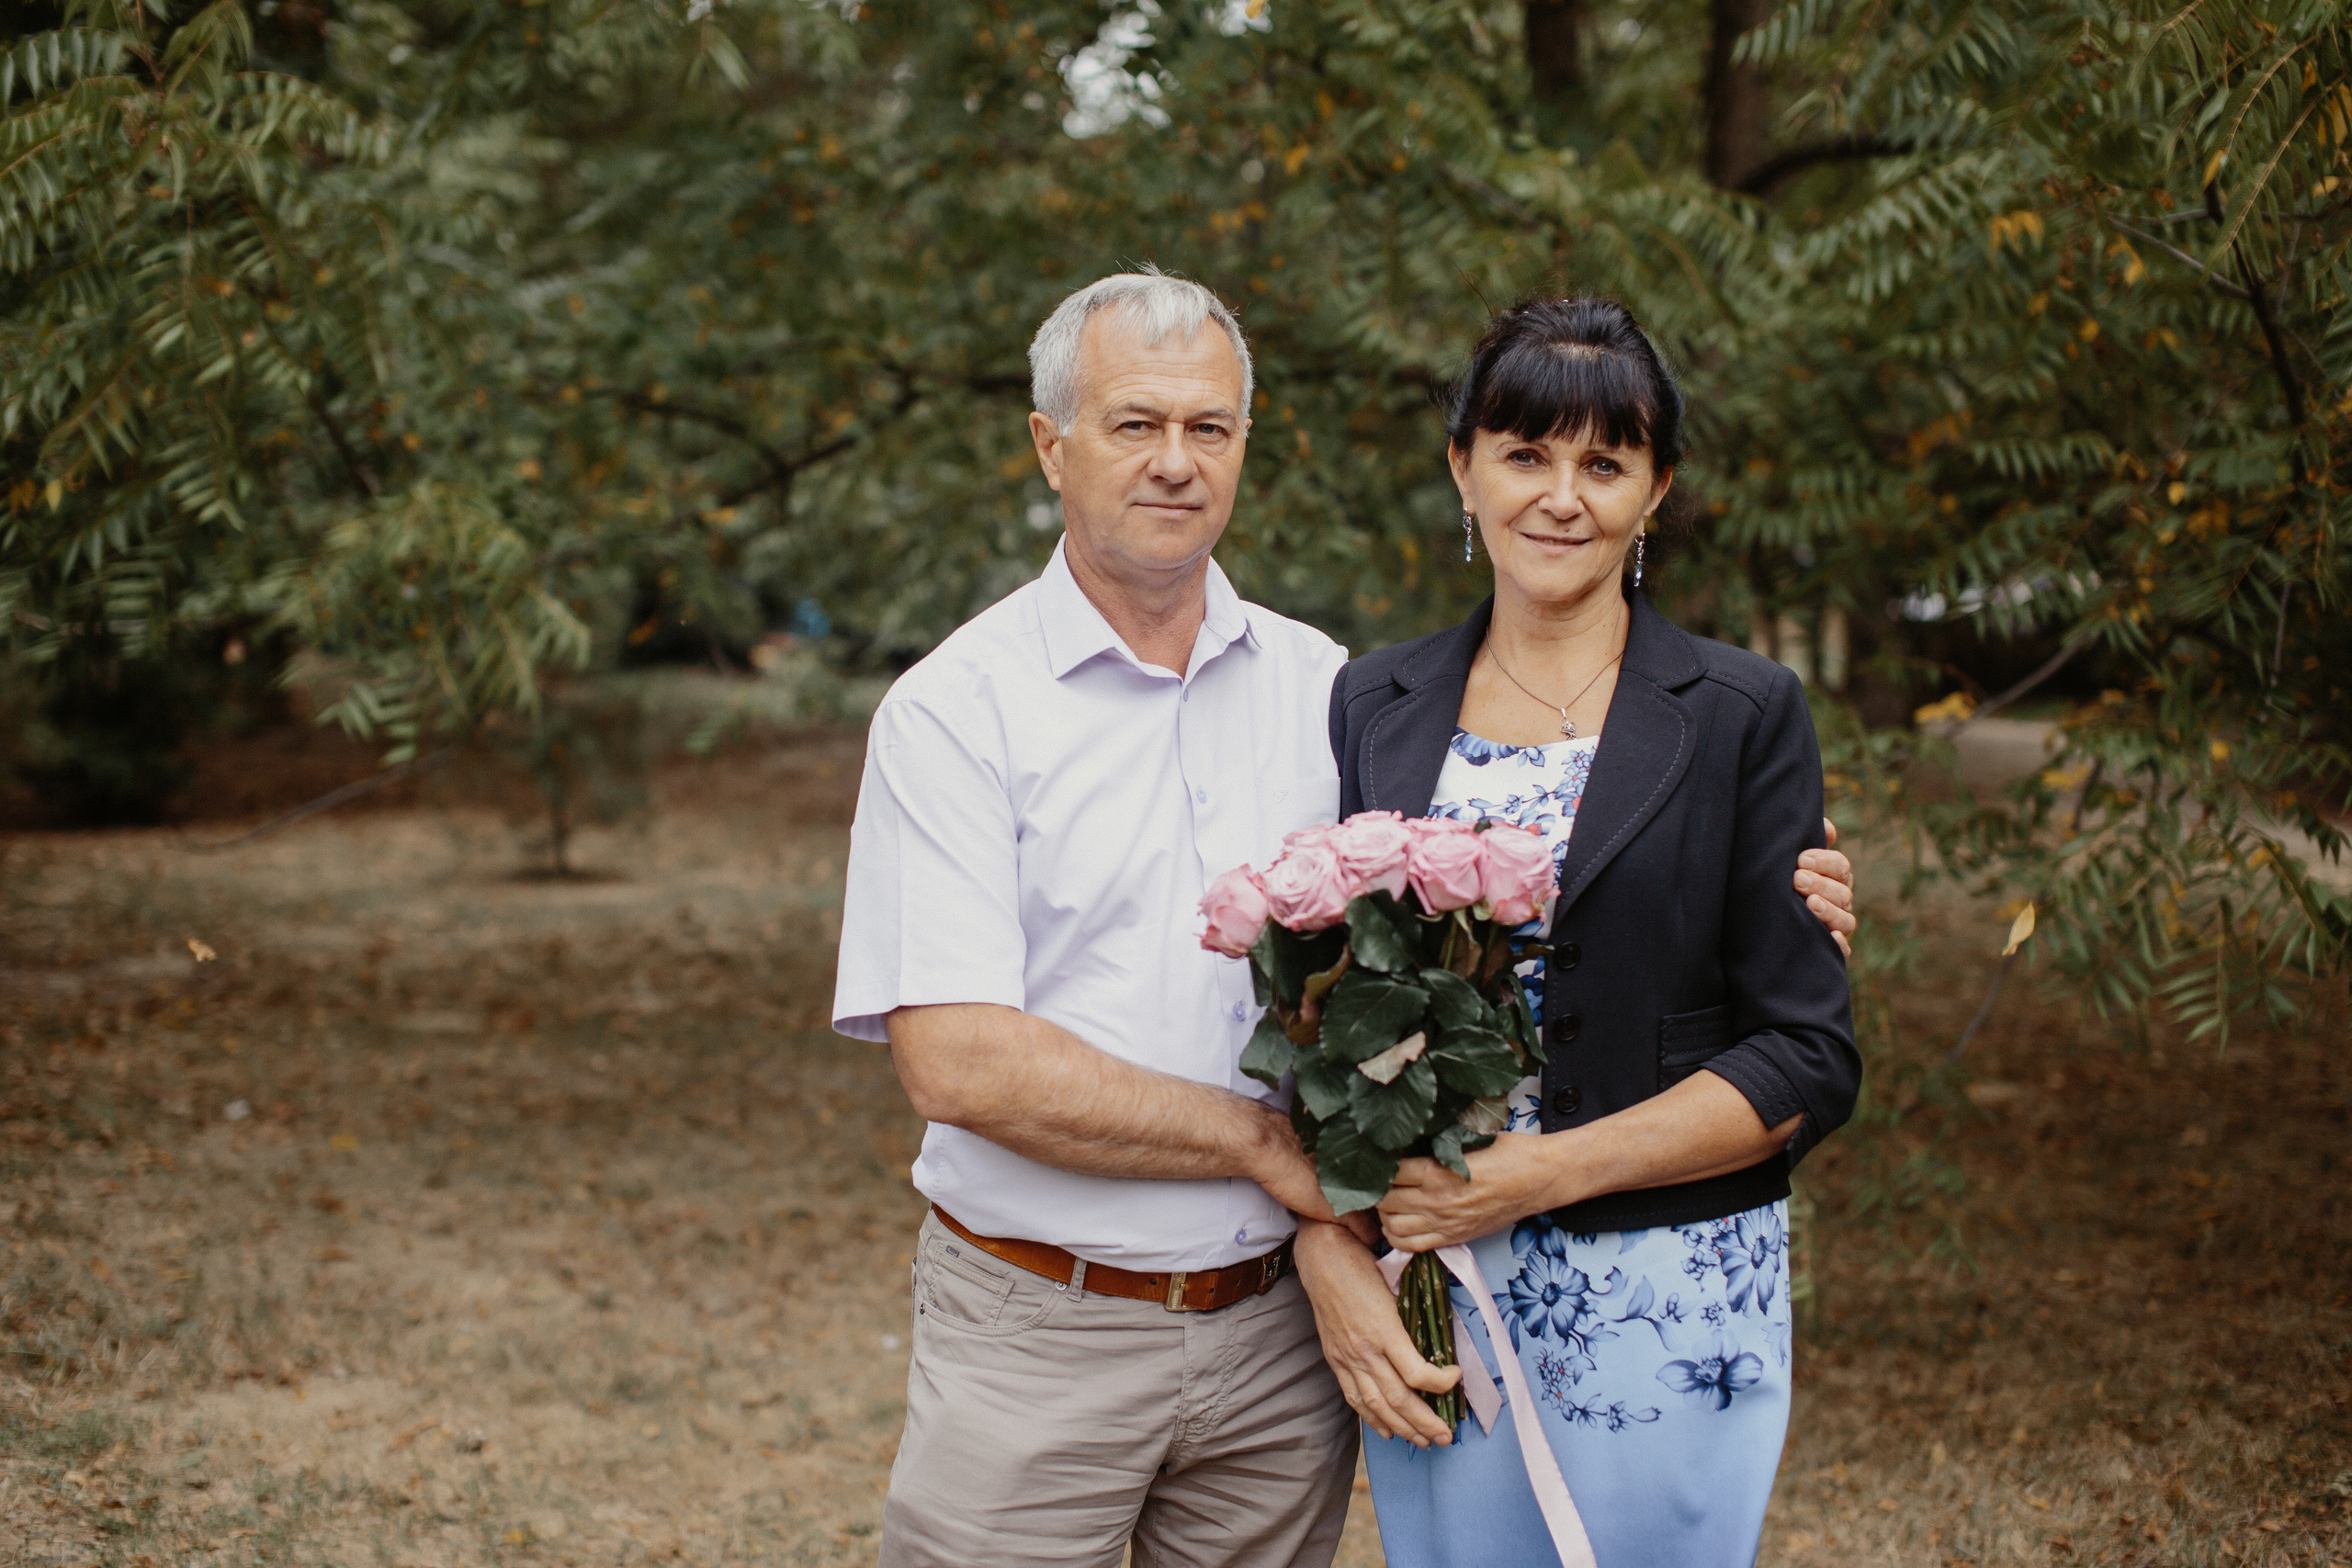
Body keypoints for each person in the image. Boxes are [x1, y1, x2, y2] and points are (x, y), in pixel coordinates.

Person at [831, 272, 1858, 1568]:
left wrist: (1792, 875)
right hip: (1088, 1318)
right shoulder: (976, 710)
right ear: (1050, 444)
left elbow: (1754, 1018)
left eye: (1209, 428)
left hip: (1420, 1326)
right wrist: (1301, 1192)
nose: (1175, 463)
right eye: (1134, 425)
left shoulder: (1323, 686)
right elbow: (966, 1060)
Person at [1295, 296, 1862, 1567]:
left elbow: (1808, 1058)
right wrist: (1336, 1236)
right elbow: (1325, 1011)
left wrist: (1543, 1172)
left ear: (1655, 490)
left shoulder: (1741, 713)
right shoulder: (1373, 703)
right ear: (1464, 467)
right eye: (1526, 453)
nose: (1563, 496)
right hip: (1441, 1292)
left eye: (1605, 463)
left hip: (1661, 1297)